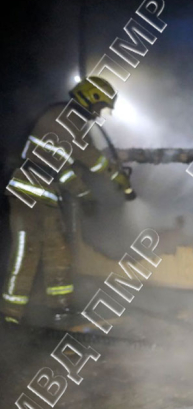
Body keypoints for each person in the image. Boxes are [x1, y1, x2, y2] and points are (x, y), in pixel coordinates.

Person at [1, 76, 135, 325]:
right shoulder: (62, 118)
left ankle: (61, 307)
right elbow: (90, 157)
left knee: (58, 252)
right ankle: (10, 316)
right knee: (27, 252)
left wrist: (85, 195)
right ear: (91, 99)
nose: (101, 114)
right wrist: (117, 176)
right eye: (101, 107)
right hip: (26, 193)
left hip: (46, 195)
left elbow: (62, 170)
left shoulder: (73, 123)